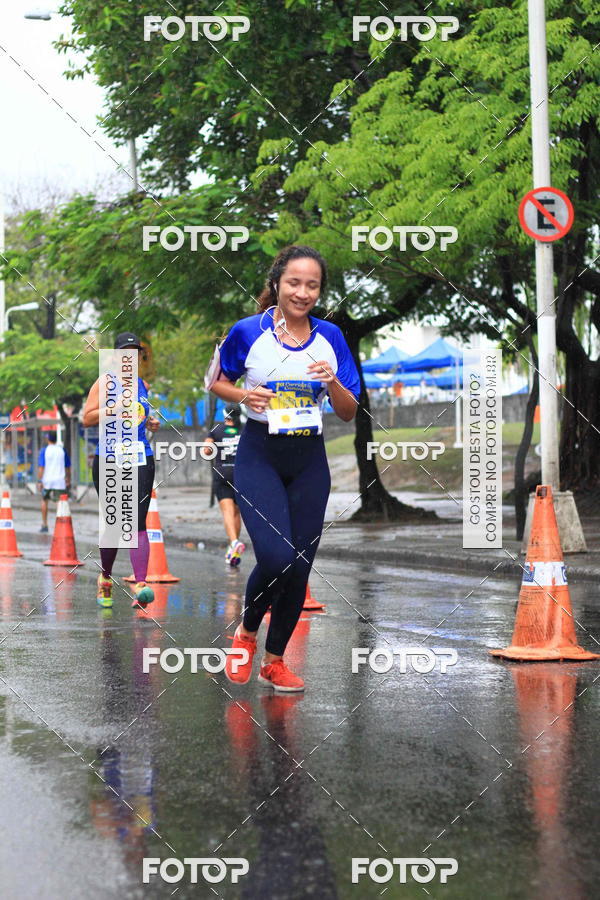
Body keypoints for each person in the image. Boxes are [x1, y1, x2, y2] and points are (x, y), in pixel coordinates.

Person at [210, 245, 360, 691]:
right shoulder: (246, 331)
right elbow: (217, 380)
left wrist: (330, 381)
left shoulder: (331, 337)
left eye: (312, 285)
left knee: (299, 564)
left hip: (310, 458)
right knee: (275, 556)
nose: (302, 292)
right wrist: (244, 397)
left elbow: (350, 411)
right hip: (259, 453)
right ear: (277, 282)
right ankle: (246, 633)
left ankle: (275, 661)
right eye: (294, 282)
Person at [82, 333, 160, 609]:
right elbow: (87, 418)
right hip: (109, 459)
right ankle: (105, 578)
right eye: (125, 353)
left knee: (138, 520)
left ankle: (140, 585)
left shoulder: (142, 384)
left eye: (135, 353)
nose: (131, 357)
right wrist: (114, 408)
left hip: (140, 456)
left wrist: (150, 422)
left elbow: (140, 414)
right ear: (116, 357)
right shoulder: (104, 383)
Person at [201, 405, 246, 566]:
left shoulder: (216, 429)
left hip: (222, 474)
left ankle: (234, 542)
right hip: (241, 475)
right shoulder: (245, 429)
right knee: (236, 512)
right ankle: (233, 547)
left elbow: (206, 451)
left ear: (225, 415)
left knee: (227, 511)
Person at [37, 431, 71, 533]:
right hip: (60, 480)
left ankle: (44, 524)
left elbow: (41, 467)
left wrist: (39, 480)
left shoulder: (44, 450)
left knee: (44, 500)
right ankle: (60, 526)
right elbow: (67, 466)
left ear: (48, 439)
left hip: (47, 480)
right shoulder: (62, 450)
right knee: (59, 503)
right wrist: (68, 477)